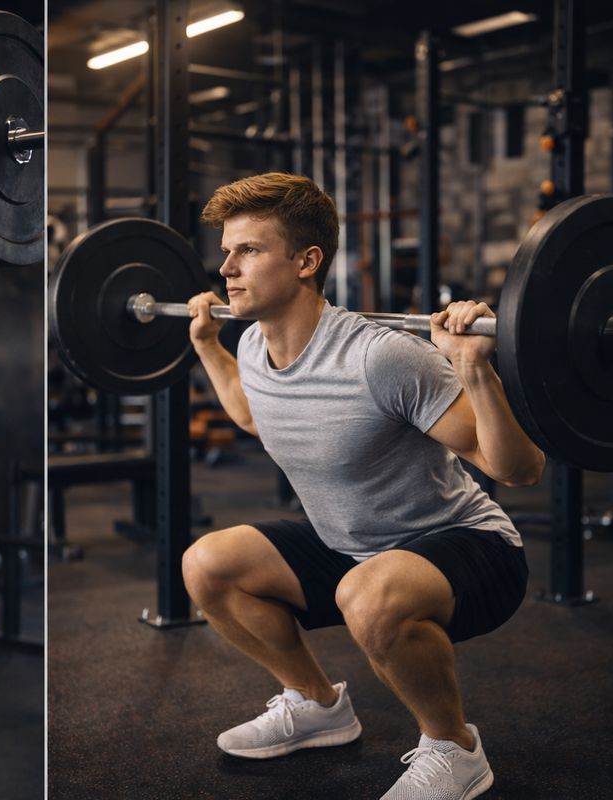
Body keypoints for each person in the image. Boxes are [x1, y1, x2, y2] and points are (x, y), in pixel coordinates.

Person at [181, 172, 542, 800]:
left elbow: (518, 468)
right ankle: (317, 705)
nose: (226, 267)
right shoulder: (256, 350)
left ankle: (454, 748)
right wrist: (210, 346)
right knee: (208, 564)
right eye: (226, 250)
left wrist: (473, 368)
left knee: (368, 595)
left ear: (306, 262)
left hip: (469, 548)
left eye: (249, 250)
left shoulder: (381, 357)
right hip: (352, 549)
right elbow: (249, 411)